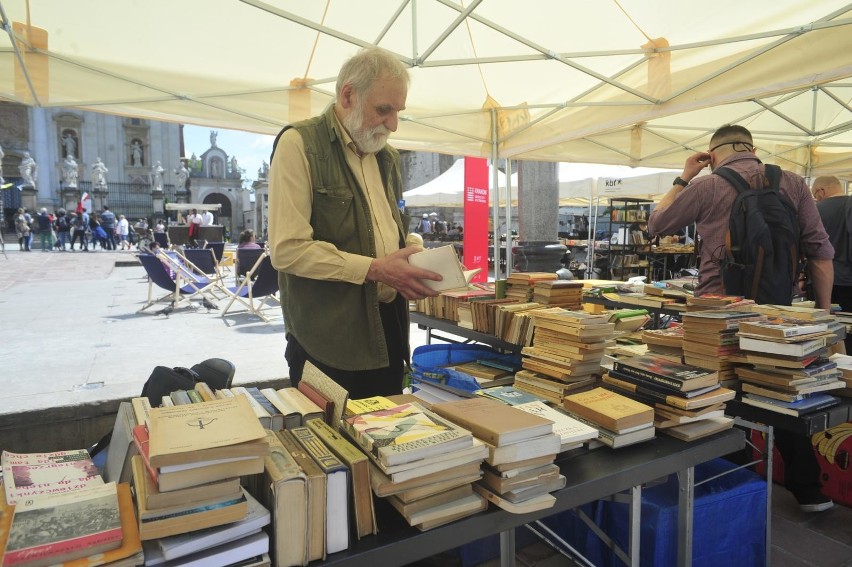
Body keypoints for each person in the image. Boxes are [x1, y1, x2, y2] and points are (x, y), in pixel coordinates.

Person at [648, 124, 836, 513]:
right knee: (778, 389)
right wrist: (819, 315)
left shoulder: (708, 185)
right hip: (779, 309)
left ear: (712, 154)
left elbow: (656, 224)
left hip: (718, 311)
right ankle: (808, 489)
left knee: (718, 396)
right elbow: (820, 251)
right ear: (752, 147)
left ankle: (731, 485)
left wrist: (684, 176)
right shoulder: (794, 182)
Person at [268, 46, 440, 398]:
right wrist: (375, 269)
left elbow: (391, 227)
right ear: (348, 95)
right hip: (328, 339)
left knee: (386, 439)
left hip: (388, 331)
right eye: (383, 110)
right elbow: (287, 250)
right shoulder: (299, 144)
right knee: (333, 447)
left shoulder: (386, 157)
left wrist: (415, 252)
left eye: (397, 112)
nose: (393, 124)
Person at [812, 175, 852, 352]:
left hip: (822, 280)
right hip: (849, 281)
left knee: (824, 328)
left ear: (822, 191)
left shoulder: (815, 210)